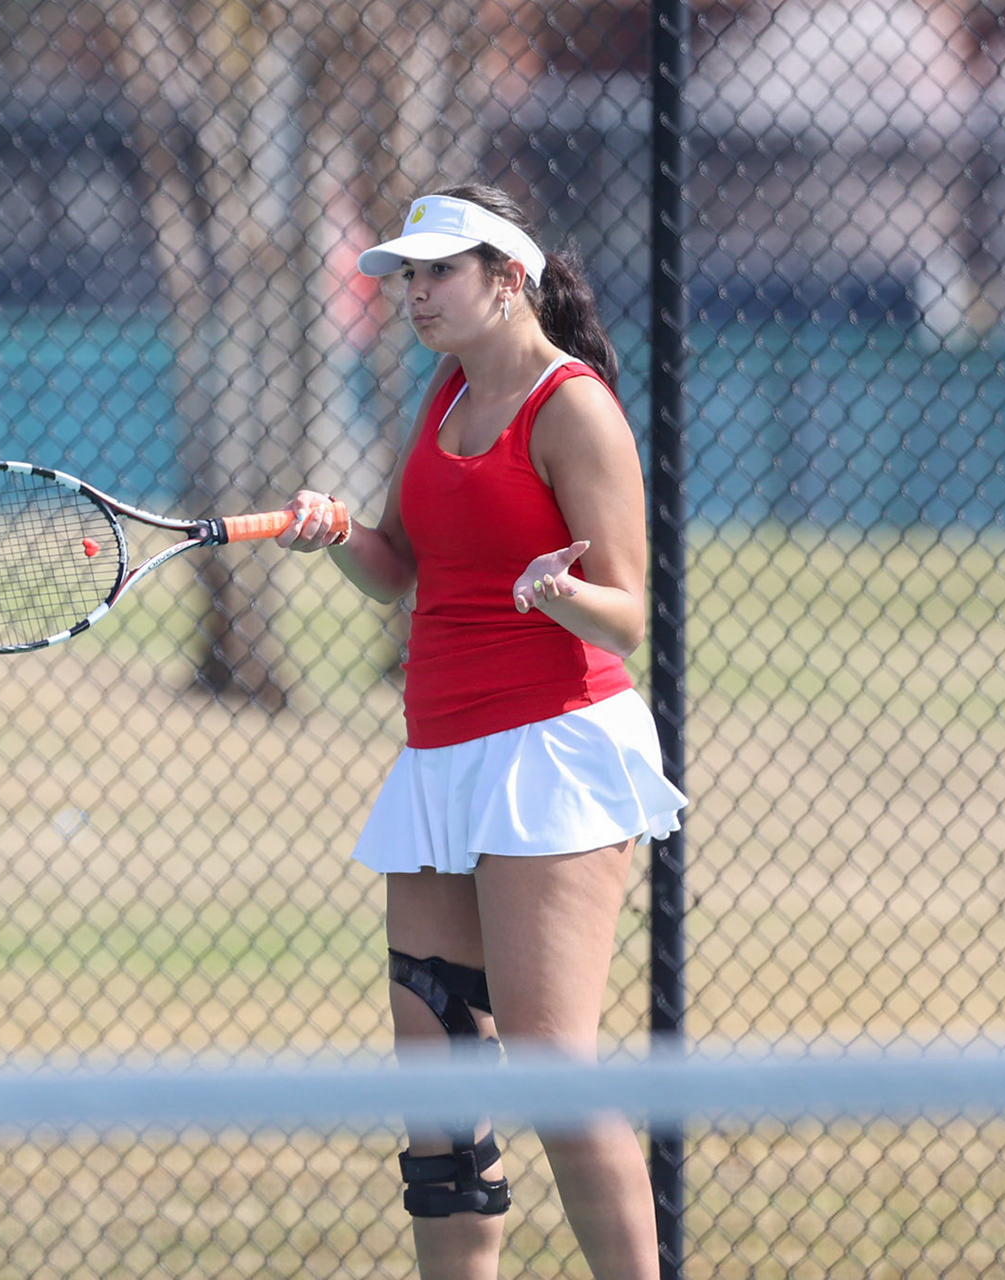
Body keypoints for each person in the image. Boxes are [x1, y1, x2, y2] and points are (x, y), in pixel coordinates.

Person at [279, 184, 687, 1280]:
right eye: (407, 274)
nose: (414, 293)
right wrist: (339, 535)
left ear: (509, 277)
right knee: (439, 1088)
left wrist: (556, 592)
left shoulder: (573, 406)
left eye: (437, 271)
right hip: (438, 759)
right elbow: (401, 570)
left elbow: (631, 612)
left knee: (555, 1066)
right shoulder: (443, 393)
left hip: (554, 752)